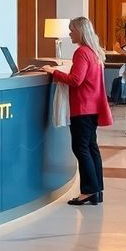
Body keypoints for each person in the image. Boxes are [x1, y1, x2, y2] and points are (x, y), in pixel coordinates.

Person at [41, 17, 113, 206]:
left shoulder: (81, 52)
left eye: (72, 30)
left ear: (80, 31)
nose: (70, 33)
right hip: (93, 106)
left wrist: (52, 71)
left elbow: (76, 80)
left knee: (81, 148)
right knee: (91, 148)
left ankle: (88, 191)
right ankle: (97, 190)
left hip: (82, 107)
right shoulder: (95, 52)